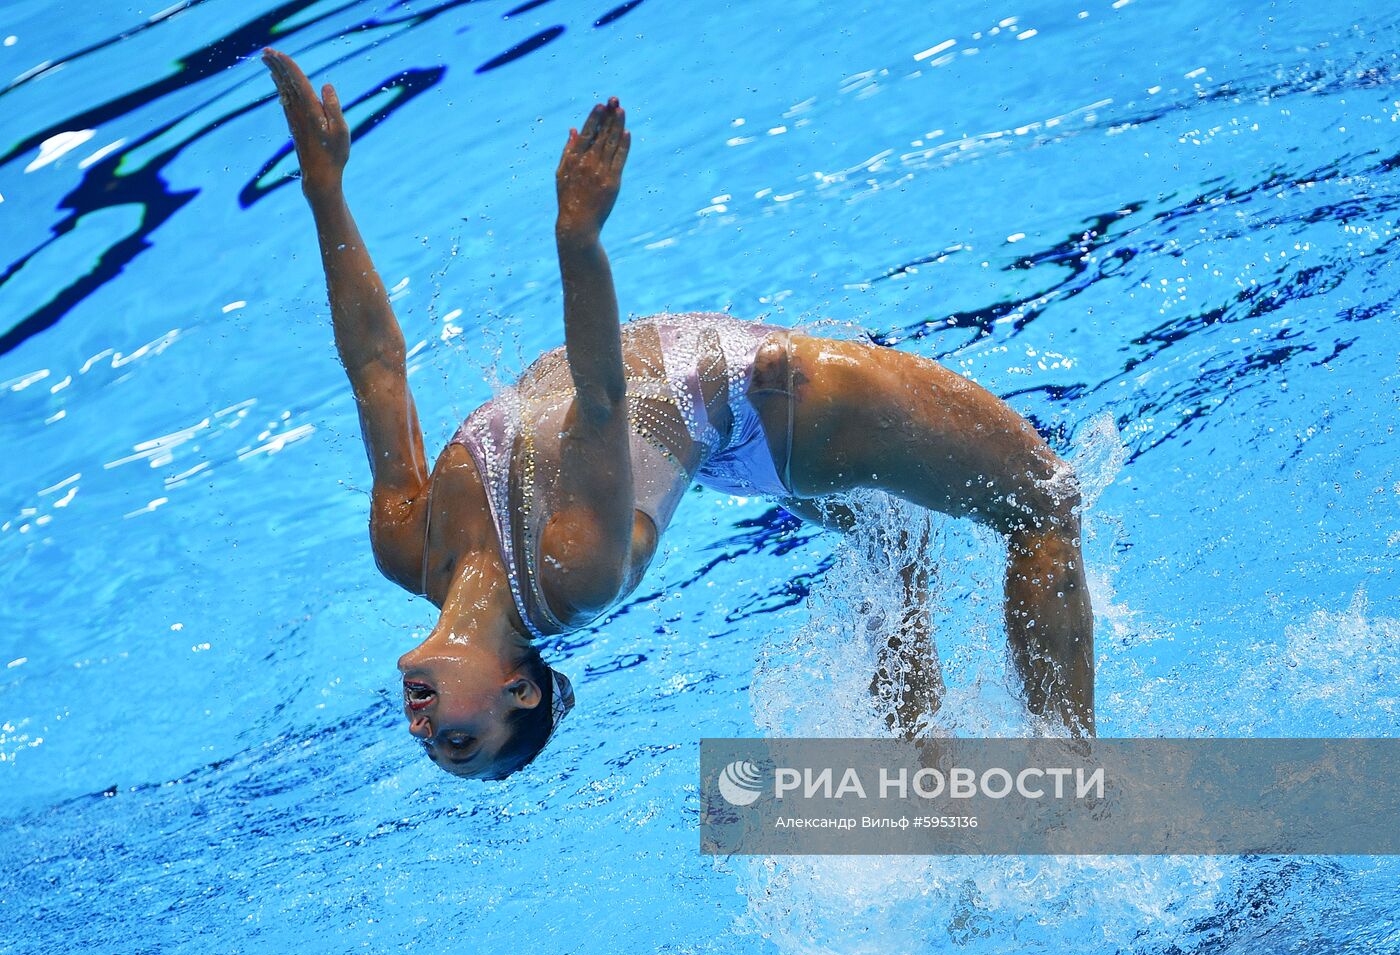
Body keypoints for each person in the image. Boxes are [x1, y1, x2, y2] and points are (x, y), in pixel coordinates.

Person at [261, 48, 1093, 781]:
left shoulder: (407, 544)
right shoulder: (570, 576)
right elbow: (600, 398)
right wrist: (579, 240)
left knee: (891, 541)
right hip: (780, 405)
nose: (422, 729)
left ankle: (931, 800)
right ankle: (1071, 796)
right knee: (1046, 501)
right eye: (459, 742)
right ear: (517, 688)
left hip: (723, 434)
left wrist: (324, 190)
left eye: (431, 744)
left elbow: (376, 370)